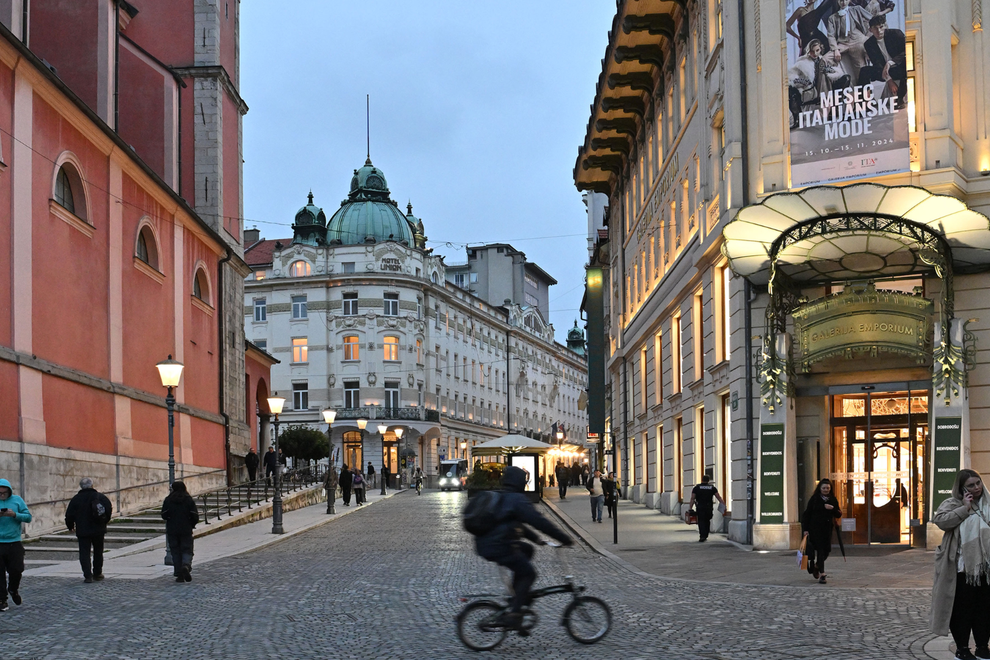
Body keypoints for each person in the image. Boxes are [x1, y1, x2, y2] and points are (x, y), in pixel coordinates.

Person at [474, 466, 573, 628]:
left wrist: (537, 540)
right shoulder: (517, 499)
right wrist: (564, 538)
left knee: (527, 550)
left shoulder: (504, 496)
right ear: (519, 482)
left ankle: (517, 594)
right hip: (498, 546)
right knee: (529, 574)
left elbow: (516, 525)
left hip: (490, 543)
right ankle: (514, 613)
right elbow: (539, 521)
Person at [931, 469, 990, 660]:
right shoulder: (952, 503)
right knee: (962, 610)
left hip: (985, 568)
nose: (976, 488)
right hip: (962, 567)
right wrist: (965, 507)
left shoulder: (988, 503)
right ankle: (962, 649)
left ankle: (982, 647)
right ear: (962, 487)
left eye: (978, 483)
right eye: (971, 485)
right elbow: (941, 521)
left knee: (984, 609)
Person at [64, 478, 113, 583]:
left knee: (84, 553)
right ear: (92, 485)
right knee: (98, 552)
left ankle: (87, 576)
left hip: (83, 529)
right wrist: (104, 522)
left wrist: (70, 526)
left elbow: (69, 514)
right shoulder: (100, 497)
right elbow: (108, 509)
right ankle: (97, 573)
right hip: (98, 529)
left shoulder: (76, 499)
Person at [802, 478, 842, 584]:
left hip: (827, 529)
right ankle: (823, 574)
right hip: (815, 528)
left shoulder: (832, 499)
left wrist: (831, 508)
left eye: (827, 488)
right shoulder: (814, 499)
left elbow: (838, 513)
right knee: (820, 550)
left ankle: (816, 566)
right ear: (820, 488)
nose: (826, 490)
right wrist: (805, 529)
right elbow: (807, 515)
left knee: (827, 550)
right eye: (824, 488)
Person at [861, 14, 906, 108]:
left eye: (881, 27)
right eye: (875, 28)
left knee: (906, 65)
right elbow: (877, 63)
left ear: (885, 26)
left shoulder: (896, 34)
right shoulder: (868, 44)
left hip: (898, 66)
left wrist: (890, 62)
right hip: (883, 71)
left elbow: (906, 51)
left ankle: (900, 99)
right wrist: (889, 80)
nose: (879, 31)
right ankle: (866, 102)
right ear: (870, 30)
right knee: (864, 71)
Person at [0, 479, 31, 611]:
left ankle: (13, 589)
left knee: (17, 570)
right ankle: (2, 600)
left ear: (8, 491)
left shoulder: (17, 500)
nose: (2, 495)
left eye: (4, 492)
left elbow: (28, 517)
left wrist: (14, 514)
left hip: (14, 542)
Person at [827, 0, 873, 87]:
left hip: (858, 40)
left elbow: (873, 20)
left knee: (861, 69)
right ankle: (828, 91)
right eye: (841, 0)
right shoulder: (832, 18)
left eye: (845, 0)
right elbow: (831, 35)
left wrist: (868, 37)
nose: (843, 2)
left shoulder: (856, 9)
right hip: (842, 43)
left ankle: (863, 94)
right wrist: (835, 49)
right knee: (825, 59)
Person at [161, 481, 199, 583]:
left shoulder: (169, 500)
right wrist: (192, 524)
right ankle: (186, 565)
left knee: (175, 551)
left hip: (172, 529)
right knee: (187, 549)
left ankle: (179, 574)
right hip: (186, 529)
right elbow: (195, 515)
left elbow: (164, 514)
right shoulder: (188, 500)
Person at [688, 474, 727, 542]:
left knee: (701, 521)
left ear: (702, 479)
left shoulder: (697, 487)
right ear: (708, 480)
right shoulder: (712, 488)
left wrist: (690, 507)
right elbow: (718, 497)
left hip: (700, 506)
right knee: (707, 520)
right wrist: (723, 504)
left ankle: (702, 535)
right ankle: (706, 534)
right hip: (708, 507)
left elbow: (692, 498)